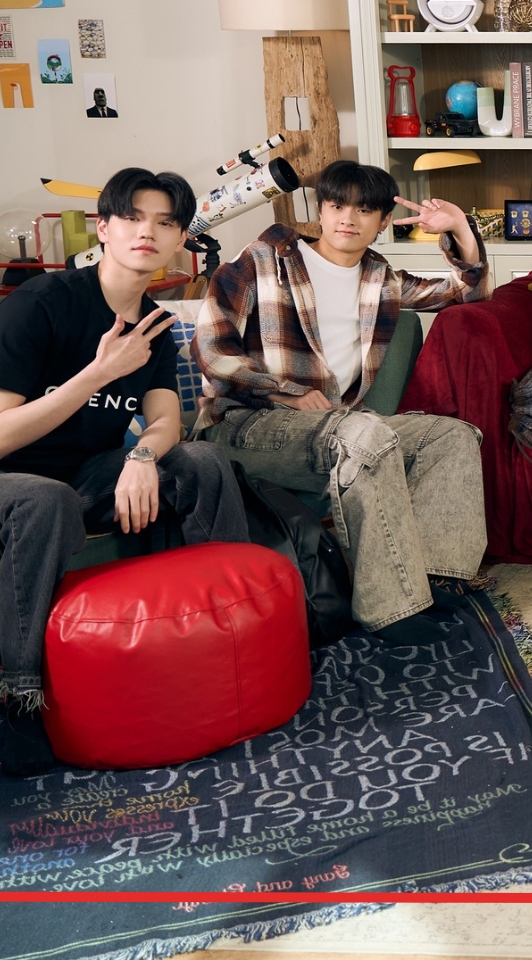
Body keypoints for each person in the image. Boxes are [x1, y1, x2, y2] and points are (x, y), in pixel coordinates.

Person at [0, 167, 247, 773]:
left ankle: (227, 644)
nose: (146, 232)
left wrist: (142, 455)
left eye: (165, 222)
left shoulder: (153, 325)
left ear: (179, 238)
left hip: (74, 475)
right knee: (43, 500)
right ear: (103, 228)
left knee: (201, 461)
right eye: (131, 217)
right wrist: (100, 372)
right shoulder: (39, 305)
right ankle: (22, 696)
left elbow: (166, 421)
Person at [196, 160, 488, 647]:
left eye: (364, 210)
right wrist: (285, 392)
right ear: (322, 210)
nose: (347, 219)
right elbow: (211, 349)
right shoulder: (264, 259)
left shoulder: (380, 279)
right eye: (336, 206)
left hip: (333, 428)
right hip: (247, 425)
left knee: (450, 436)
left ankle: (433, 580)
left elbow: (468, 292)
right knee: (364, 433)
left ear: (383, 221)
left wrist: (459, 228)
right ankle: (389, 608)